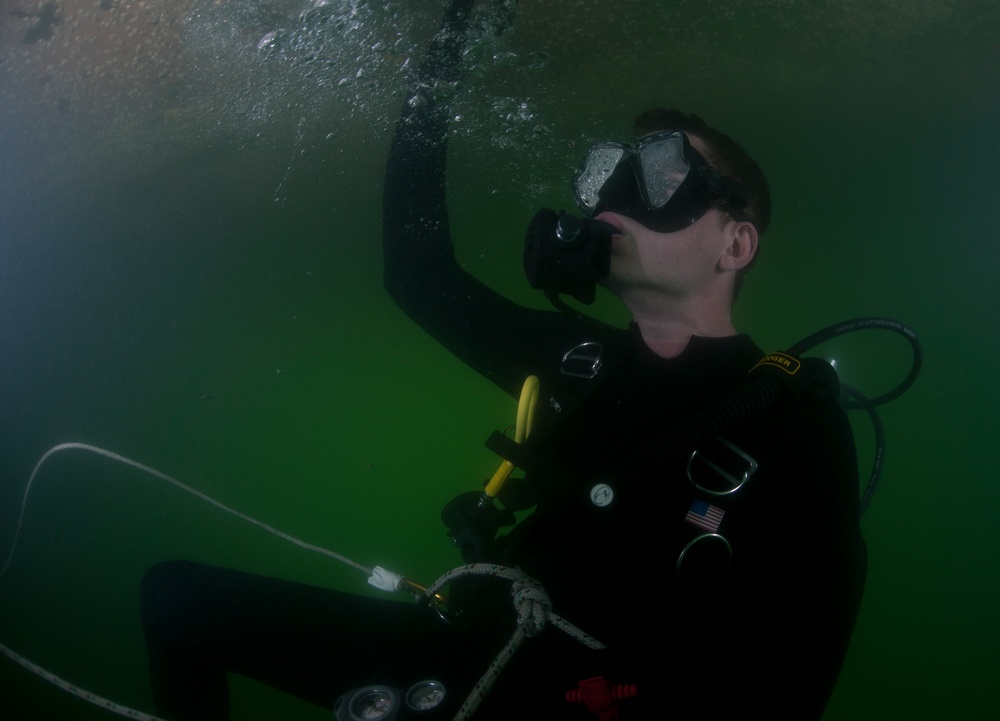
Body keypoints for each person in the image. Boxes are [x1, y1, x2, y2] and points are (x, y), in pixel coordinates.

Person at [140, 2, 866, 719]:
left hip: (592, 704)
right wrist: (440, 66)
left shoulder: (787, 419)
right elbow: (418, 273)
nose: (614, 194)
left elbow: (797, 684)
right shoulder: (577, 360)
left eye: (664, 172)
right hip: (471, 654)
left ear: (735, 244)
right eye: (609, 172)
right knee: (175, 601)